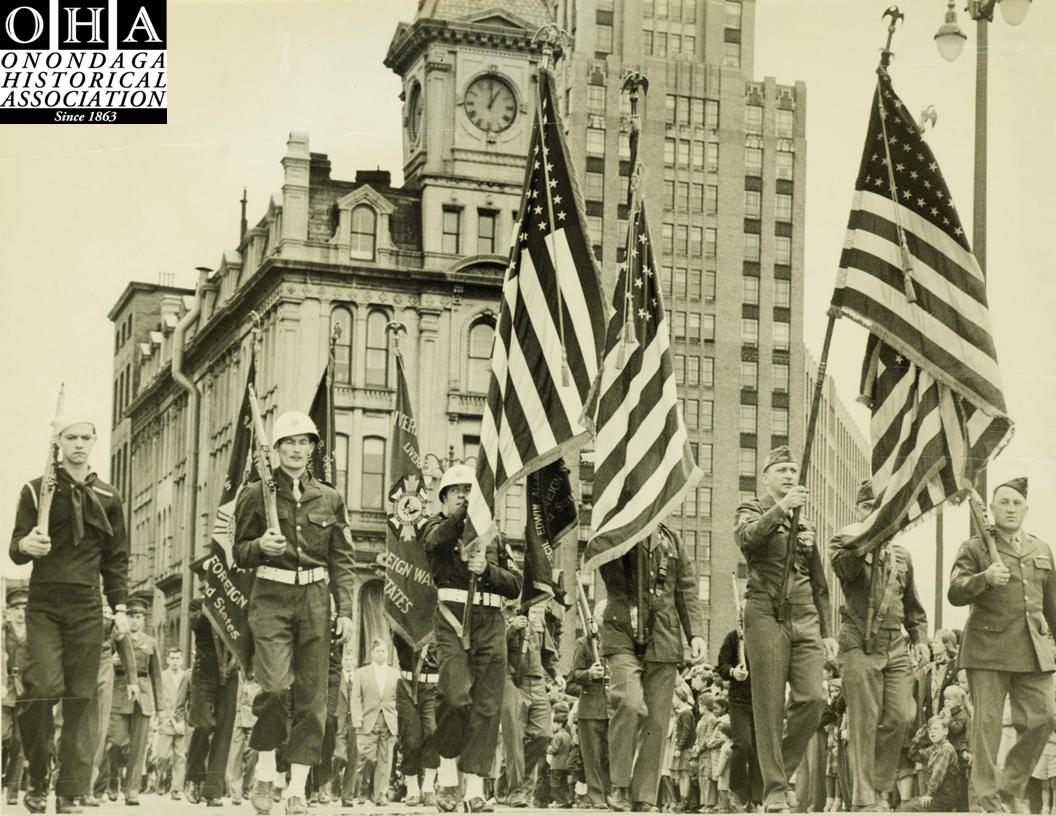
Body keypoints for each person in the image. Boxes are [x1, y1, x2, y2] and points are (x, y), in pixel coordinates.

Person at [233, 411, 356, 816]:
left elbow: (342, 560)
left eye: (305, 443)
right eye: (289, 443)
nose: (297, 450)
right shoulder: (255, 494)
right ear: (276, 450)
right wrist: (260, 548)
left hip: (317, 601)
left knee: (312, 699)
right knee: (270, 688)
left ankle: (297, 788)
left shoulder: (329, 497)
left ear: (313, 449)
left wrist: (347, 611)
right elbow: (238, 551)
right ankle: (266, 771)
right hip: (270, 597)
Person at [10, 411, 130, 814]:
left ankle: (70, 790)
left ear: (95, 442)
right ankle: (38, 772)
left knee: (81, 697)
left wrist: (122, 605)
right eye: (71, 437)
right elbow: (14, 545)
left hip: (87, 605)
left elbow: (116, 560)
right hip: (44, 602)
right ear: (58, 443)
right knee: (41, 686)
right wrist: (28, 545)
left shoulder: (110, 497)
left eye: (86, 437)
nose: (79, 444)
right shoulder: (35, 490)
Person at [734, 445, 838, 813]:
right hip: (765, 612)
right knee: (768, 705)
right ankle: (776, 790)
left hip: (805, 614)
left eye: (794, 471)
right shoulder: (752, 509)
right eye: (782, 470)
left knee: (813, 698)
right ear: (766, 477)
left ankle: (776, 775)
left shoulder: (805, 524)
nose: (790, 476)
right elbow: (747, 541)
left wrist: (827, 632)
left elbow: (820, 582)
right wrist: (781, 508)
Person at [948, 477, 1056, 813]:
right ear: (991, 509)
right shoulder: (975, 546)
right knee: (986, 732)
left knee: (1044, 717)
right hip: (988, 650)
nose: (1010, 508)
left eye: (1016, 503)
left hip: (1033, 650)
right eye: (1004, 503)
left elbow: (1052, 604)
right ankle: (988, 802)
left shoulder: (1041, 548)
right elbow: (955, 591)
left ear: (1026, 509)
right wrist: (984, 579)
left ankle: (1011, 788)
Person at [422, 463, 522, 813]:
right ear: (445, 499)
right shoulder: (436, 526)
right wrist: (470, 510)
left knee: (487, 705)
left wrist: (487, 571)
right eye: (458, 492)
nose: (464, 496)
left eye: (471, 490)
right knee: (454, 695)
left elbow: (515, 584)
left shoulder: (497, 537)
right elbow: (437, 541)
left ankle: (474, 787)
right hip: (452, 620)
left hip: (490, 623)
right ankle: (447, 772)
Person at [829, 477, 930, 811]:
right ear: (859, 509)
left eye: (883, 509)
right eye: (869, 507)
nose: (876, 514)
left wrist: (920, 638)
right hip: (857, 639)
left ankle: (879, 787)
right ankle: (865, 800)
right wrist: (870, 537)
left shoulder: (903, 556)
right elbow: (845, 569)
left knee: (902, 715)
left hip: (893, 642)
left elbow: (914, 608)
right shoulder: (844, 542)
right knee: (863, 719)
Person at [601, 523, 706, 812]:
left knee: (658, 721)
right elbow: (606, 566)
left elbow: (685, 589)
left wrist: (694, 633)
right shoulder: (617, 526)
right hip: (622, 629)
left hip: (664, 637)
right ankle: (620, 784)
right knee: (630, 702)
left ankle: (644, 794)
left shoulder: (672, 538)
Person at [106, 593, 164, 805]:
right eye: (131, 616)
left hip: (144, 695)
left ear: (144, 620)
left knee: (139, 747)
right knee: (116, 741)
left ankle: (132, 791)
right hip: (119, 692)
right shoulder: (116, 638)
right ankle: (113, 778)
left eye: (139, 617)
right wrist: (111, 662)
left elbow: (156, 674)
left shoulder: (150, 642)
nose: (134, 620)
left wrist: (161, 707)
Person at [184, 594, 239, 806]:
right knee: (203, 725)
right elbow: (196, 624)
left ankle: (213, 790)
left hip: (231, 671)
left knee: (224, 730)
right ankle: (195, 777)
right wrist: (214, 606)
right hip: (204, 670)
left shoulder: (238, 604)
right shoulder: (197, 603)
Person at [502, 599, 558, 807]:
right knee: (515, 736)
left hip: (537, 681)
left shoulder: (537, 617)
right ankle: (515, 791)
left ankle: (507, 781)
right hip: (512, 679)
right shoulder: (502, 614)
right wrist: (511, 629)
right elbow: (493, 648)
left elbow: (546, 650)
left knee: (544, 734)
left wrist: (554, 671)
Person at [564, 601, 610, 809]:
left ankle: (611, 795)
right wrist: (589, 675)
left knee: (612, 755)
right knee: (593, 758)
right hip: (591, 707)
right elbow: (572, 680)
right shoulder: (584, 643)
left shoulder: (620, 643)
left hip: (614, 707)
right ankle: (597, 798)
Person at [716, 612, 762, 810]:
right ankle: (738, 791)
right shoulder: (733, 637)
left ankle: (757, 798)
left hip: (762, 700)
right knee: (743, 745)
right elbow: (722, 666)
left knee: (759, 751)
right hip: (739, 700)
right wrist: (733, 672)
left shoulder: (765, 637)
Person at [350, 637, 400, 804]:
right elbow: (355, 698)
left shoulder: (395, 674)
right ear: (372, 654)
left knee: (385, 761)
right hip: (367, 721)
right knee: (367, 758)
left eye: (383, 651)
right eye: (378, 651)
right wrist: (357, 718)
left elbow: (399, 699)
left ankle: (381, 795)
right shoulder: (361, 673)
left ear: (388, 653)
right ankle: (363, 787)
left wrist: (397, 718)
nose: (381, 653)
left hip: (388, 721)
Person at [393, 634, 439, 806]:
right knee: (410, 739)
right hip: (408, 686)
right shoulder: (407, 623)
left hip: (433, 687)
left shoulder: (441, 623)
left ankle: (428, 787)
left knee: (433, 733)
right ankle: (412, 788)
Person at [903, 716, 964, 812]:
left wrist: (929, 794)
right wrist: (918, 738)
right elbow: (913, 755)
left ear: (945, 731)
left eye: (935, 728)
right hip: (939, 795)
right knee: (908, 806)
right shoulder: (935, 748)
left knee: (910, 808)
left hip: (946, 797)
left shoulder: (946, 749)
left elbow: (938, 774)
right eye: (930, 730)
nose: (931, 732)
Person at [2, 587, 28, 807]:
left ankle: (12, 790)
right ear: (9, 611)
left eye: (25, 609)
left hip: (27, 690)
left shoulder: (37, 632)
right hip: (5, 686)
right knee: (3, 736)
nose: (21, 613)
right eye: (17, 608)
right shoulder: (3, 631)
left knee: (20, 742)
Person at [154, 647, 189, 800]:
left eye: (177, 658)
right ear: (167, 660)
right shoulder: (161, 677)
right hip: (166, 720)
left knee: (180, 755)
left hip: (181, 720)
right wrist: (159, 715)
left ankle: (176, 788)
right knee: (162, 755)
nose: (175, 661)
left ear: (182, 660)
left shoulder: (186, 676)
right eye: (172, 658)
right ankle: (161, 779)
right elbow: (158, 697)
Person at [227, 670, 260, 806]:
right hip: (235, 717)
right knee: (235, 755)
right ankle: (235, 791)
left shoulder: (258, 671)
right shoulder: (233, 671)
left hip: (253, 717)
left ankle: (247, 785)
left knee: (254, 753)